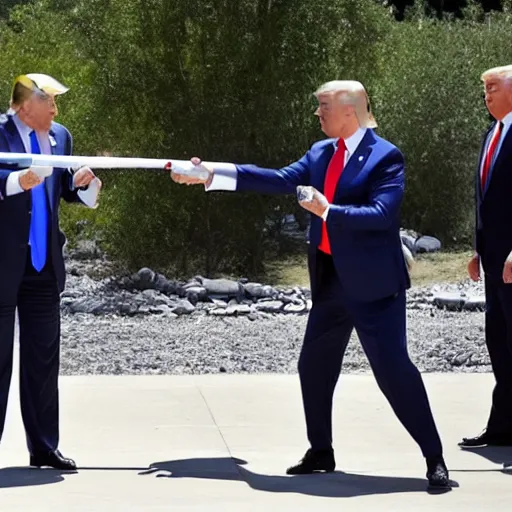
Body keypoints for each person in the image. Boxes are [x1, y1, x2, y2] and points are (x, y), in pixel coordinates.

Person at [170, 80, 450, 490]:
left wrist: (328, 210)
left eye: (323, 107)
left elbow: (381, 214)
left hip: (373, 286)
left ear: (349, 111)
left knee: (393, 372)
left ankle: (434, 457)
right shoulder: (320, 152)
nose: (317, 114)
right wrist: (213, 173)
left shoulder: (385, 157)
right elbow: (277, 179)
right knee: (313, 367)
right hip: (331, 281)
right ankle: (321, 451)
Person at [0, 73, 101, 469]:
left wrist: (85, 185)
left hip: (43, 265)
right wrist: (14, 181)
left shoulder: (61, 136)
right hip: (4, 262)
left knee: (43, 359)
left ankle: (44, 446)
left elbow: (65, 190)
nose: (57, 110)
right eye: (50, 102)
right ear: (26, 104)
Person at [462, 65, 512, 449]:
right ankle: (501, 428)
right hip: (494, 262)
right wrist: (478, 248)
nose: (486, 94)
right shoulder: (490, 134)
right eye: (484, 89)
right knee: (499, 342)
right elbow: (487, 201)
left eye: (492, 87)